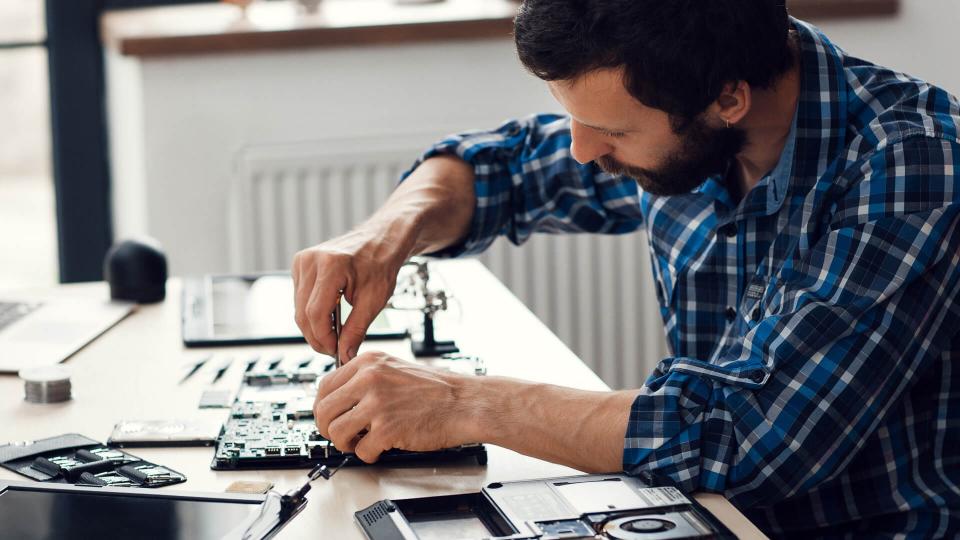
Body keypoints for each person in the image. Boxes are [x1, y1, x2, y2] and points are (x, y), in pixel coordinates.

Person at [291, 0, 960, 536]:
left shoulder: (912, 165)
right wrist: (384, 234)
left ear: (728, 101)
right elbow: (506, 169)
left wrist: (461, 401)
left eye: (612, 133)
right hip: (706, 511)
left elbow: (746, 436)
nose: (582, 150)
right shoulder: (684, 108)